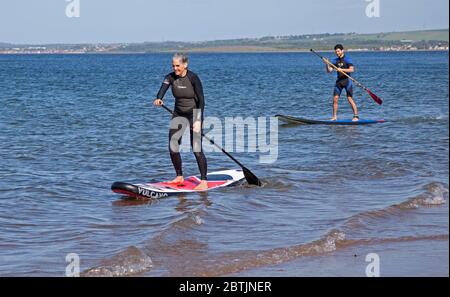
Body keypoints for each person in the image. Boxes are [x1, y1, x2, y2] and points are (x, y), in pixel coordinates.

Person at [153, 53, 208, 191]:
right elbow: (162, 90)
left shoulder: (193, 78)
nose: (175, 68)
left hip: (194, 115)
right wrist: (159, 98)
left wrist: (198, 121)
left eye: (178, 65)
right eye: (173, 65)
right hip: (178, 114)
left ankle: (204, 181)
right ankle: (179, 176)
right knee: (173, 147)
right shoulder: (170, 77)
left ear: (185, 65)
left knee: (196, 148)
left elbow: (201, 100)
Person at [324, 44, 359, 121]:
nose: (337, 52)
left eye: (338, 51)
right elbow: (329, 71)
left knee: (349, 98)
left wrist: (342, 70)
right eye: (336, 51)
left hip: (347, 81)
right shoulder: (335, 61)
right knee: (335, 99)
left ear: (342, 51)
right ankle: (334, 117)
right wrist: (326, 63)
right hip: (339, 81)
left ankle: (356, 116)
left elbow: (352, 69)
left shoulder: (347, 59)